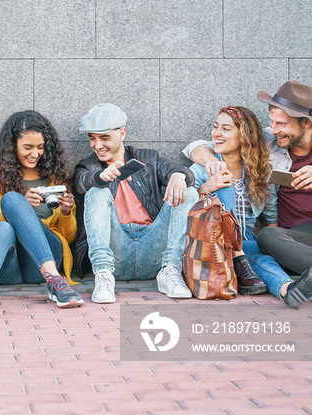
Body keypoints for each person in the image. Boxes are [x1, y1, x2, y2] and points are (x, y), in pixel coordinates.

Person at [184, 80, 312, 308]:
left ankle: (283, 283)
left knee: (256, 244)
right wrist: (212, 164)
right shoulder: (271, 141)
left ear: (306, 123)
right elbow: (198, 146)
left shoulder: (261, 164)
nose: (272, 130)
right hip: (285, 241)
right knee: (265, 239)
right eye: (271, 122)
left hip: (284, 237)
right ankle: (285, 286)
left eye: (281, 124)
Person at [73, 103, 198, 304]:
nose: (97, 145)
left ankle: (171, 270)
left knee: (189, 192)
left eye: (104, 138)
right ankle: (103, 275)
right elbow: (82, 182)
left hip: (154, 248)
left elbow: (185, 174)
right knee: (95, 192)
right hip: (116, 254)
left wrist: (179, 174)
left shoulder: (148, 159)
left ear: (122, 133)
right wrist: (101, 177)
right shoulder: (88, 166)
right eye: (92, 138)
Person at [0, 111, 83, 320]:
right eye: (27, 147)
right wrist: (19, 206)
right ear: (12, 146)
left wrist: (65, 212)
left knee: (12, 202)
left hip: (44, 263)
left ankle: (55, 280)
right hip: (3, 264)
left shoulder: (54, 176)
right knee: (9, 208)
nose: (34, 154)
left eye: (40, 147)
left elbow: (69, 236)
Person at [190, 106, 291, 296]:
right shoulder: (203, 168)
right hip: (212, 240)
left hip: (246, 239)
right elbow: (184, 208)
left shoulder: (259, 169)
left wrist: (275, 247)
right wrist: (205, 189)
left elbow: (271, 216)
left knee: (261, 257)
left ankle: (288, 289)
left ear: (245, 135)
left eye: (226, 129)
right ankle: (239, 257)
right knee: (224, 184)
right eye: (215, 127)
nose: (217, 134)